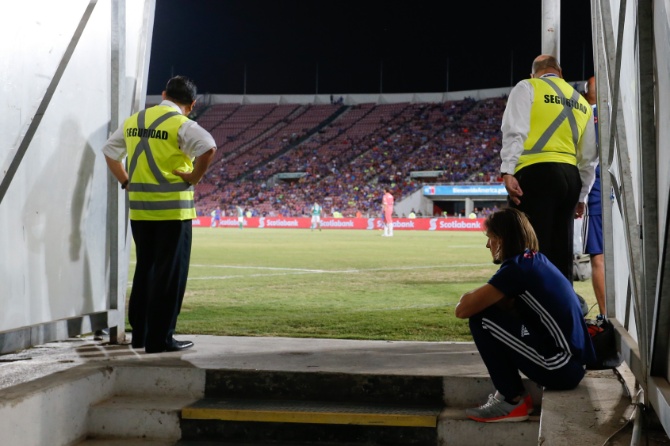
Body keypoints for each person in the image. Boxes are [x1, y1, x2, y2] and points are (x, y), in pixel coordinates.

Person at [103, 75, 216, 353]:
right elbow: (208, 147)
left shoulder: (135, 121)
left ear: (164, 94)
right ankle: (161, 339)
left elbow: (109, 151)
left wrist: (126, 181)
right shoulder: (181, 124)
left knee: (145, 270)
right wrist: (194, 176)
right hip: (173, 211)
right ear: (192, 104)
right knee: (169, 274)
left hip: (140, 209)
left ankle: (140, 334)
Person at [456, 208, 595, 422]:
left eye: (490, 238)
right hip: (572, 363)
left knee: (481, 319)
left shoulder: (517, 269)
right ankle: (509, 395)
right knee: (497, 316)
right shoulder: (534, 260)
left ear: (502, 239)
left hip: (561, 367)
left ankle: (511, 400)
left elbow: (463, 309)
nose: (487, 245)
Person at [500, 55, 597, 283]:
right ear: (560, 73)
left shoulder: (528, 86)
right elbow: (590, 157)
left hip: (535, 172)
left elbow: (515, 131)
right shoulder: (582, 103)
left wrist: (508, 170)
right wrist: (581, 196)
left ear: (534, 74)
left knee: (529, 244)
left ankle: (532, 306)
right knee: (562, 250)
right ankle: (562, 309)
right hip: (570, 178)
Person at [582, 76, 606, 319]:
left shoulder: (582, 115)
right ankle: (610, 314)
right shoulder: (617, 113)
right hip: (608, 190)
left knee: (598, 256)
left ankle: (606, 315)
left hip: (595, 190)